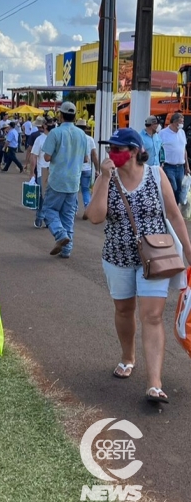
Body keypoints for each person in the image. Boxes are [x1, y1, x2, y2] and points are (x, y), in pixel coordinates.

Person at [85, 128, 191, 404]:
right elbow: (94, 217)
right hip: (118, 256)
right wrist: (105, 177)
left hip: (156, 256)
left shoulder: (156, 174)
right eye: (110, 149)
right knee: (124, 309)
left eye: (118, 149)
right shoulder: (106, 178)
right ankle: (127, 356)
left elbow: (174, 215)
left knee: (152, 316)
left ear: (134, 151)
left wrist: (189, 252)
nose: (112, 153)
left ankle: (154, 383)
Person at [41, 101, 88, 259]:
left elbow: (47, 157)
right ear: (74, 116)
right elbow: (86, 158)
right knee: (68, 216)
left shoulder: (55, 133)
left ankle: (60, 235)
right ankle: (67, 249)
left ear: (60, 115)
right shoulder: (82, 134)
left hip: (57, 179)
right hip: (74, 181)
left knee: (48, 210)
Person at [159, 112, 189, 204]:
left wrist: (187, 166)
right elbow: (159, 149)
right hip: (169, 166)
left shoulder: (182, 132)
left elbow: (184, 150)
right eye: (181, 122)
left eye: (183, 122)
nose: (182, 124)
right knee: (173, 188)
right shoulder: (163, 133)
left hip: (180, 167)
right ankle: (171, 208)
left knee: (179, 189)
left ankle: (175, 208)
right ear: (174, 122)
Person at [29, 121, 52, 228]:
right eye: (50, 122)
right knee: (43, 197)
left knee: (49, 197)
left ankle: (45, 219)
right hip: (43, 170)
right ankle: (41, 218)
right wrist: (32, 172)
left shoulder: (56, 137)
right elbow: (33, 156)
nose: (53, 124)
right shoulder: (40, 139)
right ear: (44, 126)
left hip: (54, 171)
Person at [76, 119, 99, 209]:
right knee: (85, 190)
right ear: (85, 128)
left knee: (74, 190)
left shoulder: (74, 139)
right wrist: (97, 169)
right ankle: (87, 207)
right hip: (87, 169)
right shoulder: (90, 139)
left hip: (75, 169)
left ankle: (74, 208)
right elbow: (94, 155)